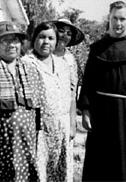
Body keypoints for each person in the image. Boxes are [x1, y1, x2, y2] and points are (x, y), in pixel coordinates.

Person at [0, 21, 47, 182]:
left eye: (15, 40)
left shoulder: (31, 70)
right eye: (5, 40)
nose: (11, 45)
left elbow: (40, 107)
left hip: (26, 144)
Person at [78, 1, 126, 181]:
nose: (118, 23)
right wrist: (85, 110)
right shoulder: (97, 49)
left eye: (122, 19)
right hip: (101, 113)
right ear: (108, 18)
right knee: (100, 161)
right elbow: (87, 82)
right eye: (114, 18)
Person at [23, 21, 75, 182]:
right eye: (42, 37)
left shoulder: (63, 64)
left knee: (61, 172)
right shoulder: (26, 63)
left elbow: (71, 95)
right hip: (39, 130)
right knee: (40, 173)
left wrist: (72, 124)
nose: (46, 42)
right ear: (34, 39)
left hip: (63, 127)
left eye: (51, 38)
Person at [53, 18, 85, 181]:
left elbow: (73, 94)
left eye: (69, 33)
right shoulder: (40, 55)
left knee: (63, 161)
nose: (64, 36)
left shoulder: (72, 60)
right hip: (45, 117)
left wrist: (73, 124)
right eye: (61, 31)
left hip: (65, 116)